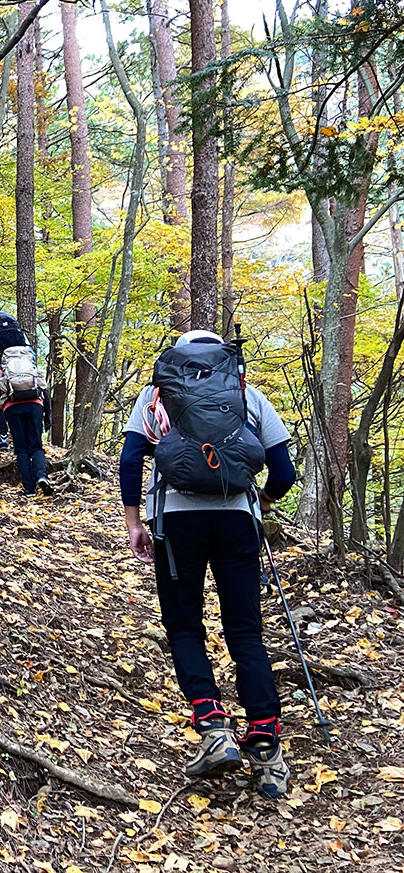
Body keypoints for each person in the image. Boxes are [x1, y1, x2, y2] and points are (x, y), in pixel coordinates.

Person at [119, 329, 297, 798]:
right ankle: (265, 744)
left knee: (184, 626)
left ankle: (214, 726)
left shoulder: (156, 395)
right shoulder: (247, 395)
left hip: (176, 523)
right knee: (246, 630)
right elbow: (284, 471)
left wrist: (134, 522)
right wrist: (261, 501)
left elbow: (132, 459)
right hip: (237, 520)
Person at [0, 346, 53, 496]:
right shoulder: (33, 369)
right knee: (36, 445)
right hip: (35, 406)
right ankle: (42, 476)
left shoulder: (3, 372)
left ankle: (29, 488)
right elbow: (44, 391)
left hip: (12, 408)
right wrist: (47, 416)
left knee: (21, 448)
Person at [0, 312, 32, 451]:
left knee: (0, 404)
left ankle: (2, 438)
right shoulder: (20, 333)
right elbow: (30, 354)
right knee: (20, 401)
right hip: (21, 372)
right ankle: (23, 439)